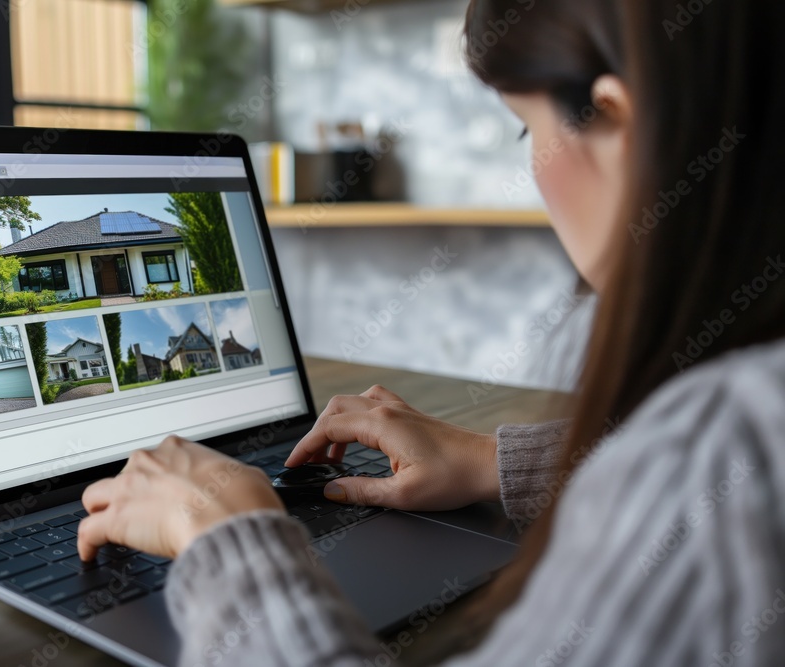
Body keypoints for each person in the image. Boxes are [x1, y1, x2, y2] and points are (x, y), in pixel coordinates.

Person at [77, 0, 785, 664]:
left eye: (523, 127)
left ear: (614, 117)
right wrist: (496, 462)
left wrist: (226, 540)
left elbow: (702, 481)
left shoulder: (728, 440)